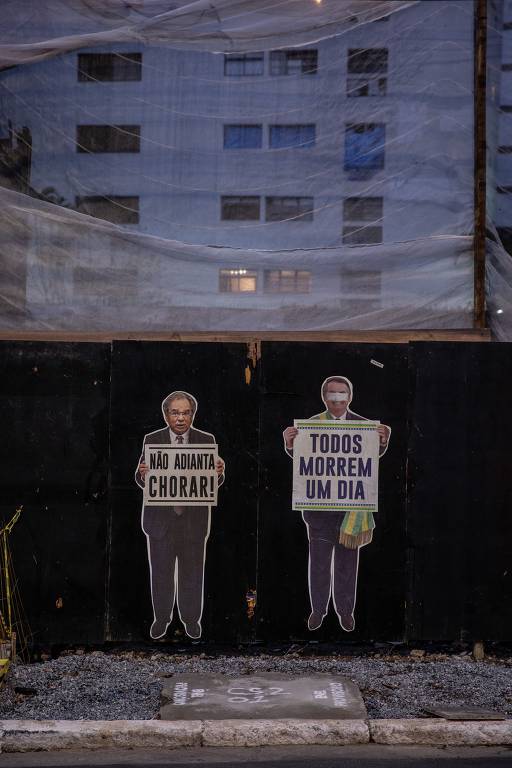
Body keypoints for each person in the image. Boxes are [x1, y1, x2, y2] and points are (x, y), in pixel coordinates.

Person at [283, 375, 390, 633]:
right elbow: (302, 459)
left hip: (350, 514)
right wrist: (289, 443)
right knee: (319, 566)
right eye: (332, 393)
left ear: (350, 397)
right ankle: (318, 611)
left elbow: (371, 458)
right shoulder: (310, 426)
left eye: (342, 393)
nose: (337, 398)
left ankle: (345, 612)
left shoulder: (364, 426)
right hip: (319, 515)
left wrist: (383, 441)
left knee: (347, 567)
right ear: (324, 397)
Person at [135, 391, 225, 640]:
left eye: (186, 413)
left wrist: (218, 473)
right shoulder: (152, 439)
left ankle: (191, 621)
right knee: (161, 574)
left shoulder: (206, 440)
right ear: (166, 415)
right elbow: (142, 480)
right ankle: (161, 619)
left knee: (192, 575)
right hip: (160, 523)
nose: (180, 418)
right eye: (175, 413)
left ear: (193, 415)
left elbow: (211, 482)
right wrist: (142, 474)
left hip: (193, 523)